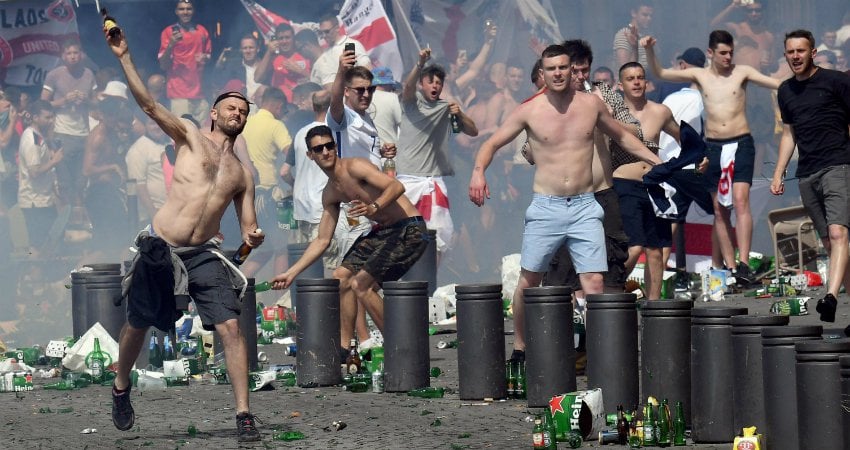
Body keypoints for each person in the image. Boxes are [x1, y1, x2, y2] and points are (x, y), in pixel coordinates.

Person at [105, 25, 265, 442]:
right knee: (138, 324)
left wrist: (251, 241)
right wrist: (124, 56)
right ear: (214, 113)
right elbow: (149, 105)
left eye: (243, 111)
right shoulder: (190, 138)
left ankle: (244, 414)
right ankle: (121, 387)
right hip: (162, 248)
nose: (237, 114)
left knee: (231, 327)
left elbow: (247, 234)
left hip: (204, 254)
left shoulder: (242, 174)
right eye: (231, 108)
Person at [469, 44, 661, 361]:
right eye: (551, 68)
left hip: (586, 205)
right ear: (542, 74)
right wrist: (478, 173)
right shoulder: (529, 110)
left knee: (594, 281)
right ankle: (520, 347)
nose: (558, 73)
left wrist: (658, 162)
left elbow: (624, 137)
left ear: (572, 70)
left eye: (563, 67)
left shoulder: (591, 105)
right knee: (529, 281)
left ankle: (600, 354)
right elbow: (491, 143)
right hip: (547, 206)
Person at [270, 125, 427, 350]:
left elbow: (396, 186)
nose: (325, 152)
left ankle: (400, 349)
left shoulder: (355, 167)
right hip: (384, 232)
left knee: (361, 284)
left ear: (335, 147)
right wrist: (290, 273)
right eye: (318, 149)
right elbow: (322, 240)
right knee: (341, 277)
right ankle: (346, 348)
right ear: (310, 155)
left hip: (410, 229)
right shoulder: (330, 192)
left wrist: (374, 207)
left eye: (329, 146)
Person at [642, 30, 780, 284]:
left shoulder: (742, 73)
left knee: (740, 200)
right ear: (711, 53)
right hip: (714, 146)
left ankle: (745, 261)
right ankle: (730, 265)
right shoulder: (700, 75)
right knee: (719, 209)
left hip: (741, 142)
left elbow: (776, 83)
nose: (728, 58)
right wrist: (649, 50)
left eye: (731, 53)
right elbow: (661, 73)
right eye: (723, 53)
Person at [771, 29, 850, 333]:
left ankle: (830, 296)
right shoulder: (786, 90)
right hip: (807, 172)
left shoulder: (836, 81)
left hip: (838, 165)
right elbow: (789, 133)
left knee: (838, 232)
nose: (795, 57)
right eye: (790, 52)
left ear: (813, 52)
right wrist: (779, 173)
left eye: (801, 51)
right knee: (831, 243)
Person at [396, 48, 478, 259]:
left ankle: (430, 285)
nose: (434, 85)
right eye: (430, 81)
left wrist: (460, 113)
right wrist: (420, 63)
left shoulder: (445, 108)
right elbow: (406, 86)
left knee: (438, 237)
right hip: (407, 180)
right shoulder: (411, 103)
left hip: (433, 182)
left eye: (438, 82)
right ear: (422, 84)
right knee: (403, 236)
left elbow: (472, 131)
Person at [617, 62, 680, 300]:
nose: (636, 82)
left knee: (655, 250)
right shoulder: (612, 114)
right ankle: (610, 291)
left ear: (646, 81)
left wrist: (698, 156)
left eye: (640, 77)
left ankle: (653, 305)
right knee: (634, 247)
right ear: (620, 84)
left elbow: (682, 135)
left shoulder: (659, 111)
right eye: (630, 78)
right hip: (624, 183)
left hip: (654, 186)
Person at [41, 38, 96, 219]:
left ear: (81, 55)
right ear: (63, 56)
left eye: (76, 53)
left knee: (82, 180)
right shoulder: (54, 75)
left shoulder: (88, 74)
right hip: (62, 132)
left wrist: (85, 99)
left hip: (83, 132)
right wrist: (65, 100)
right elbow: (43, 105)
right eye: (69, 53)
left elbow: (96, 103)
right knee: (65, 180)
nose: (73, 57)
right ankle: (65, 222)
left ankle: (81, 223)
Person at [241, 86, 292, 278]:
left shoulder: (246, 124)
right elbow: (290, 153)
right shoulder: (275, 125)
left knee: (259, 244)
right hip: (266, 195)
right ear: (279, 106)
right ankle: (283, 299)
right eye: (284, 110)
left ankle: (239, 281)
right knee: (281, 246)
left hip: (245, 195)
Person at [82, 97, 135, 257]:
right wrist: (112, 167)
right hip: (99, 194)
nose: (114, 119)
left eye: (115, 115)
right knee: (105, 246)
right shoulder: (98, 137)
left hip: (111, 194)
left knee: (120, 241)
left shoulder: (113, 132)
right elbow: (87, 169)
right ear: (102, 115)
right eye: (111, 116)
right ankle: (70, 279)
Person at [17, 100, 63, 253]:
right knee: (38, 244)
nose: (51, 121)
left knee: (49, 241)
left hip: (43, 199)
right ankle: (32, 275)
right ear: (35, 117)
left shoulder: (40, 136)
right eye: (47, 118)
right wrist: (55, 161)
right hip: (34, 201)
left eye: (52, 117)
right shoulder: (31, 139)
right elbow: (34, 172)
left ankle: (41, 273)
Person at [158, 0, 211, 124]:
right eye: (182, 9)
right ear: (176, 12)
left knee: (201, 136)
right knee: (184, 136)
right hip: (179, 93)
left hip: (200, 93)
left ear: (193, 11)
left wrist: (205, 58)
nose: (185, 12)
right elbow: (163, 65)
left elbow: (208, 57)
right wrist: (171, 44)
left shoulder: (202, 31)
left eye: (188, 8)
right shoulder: (169, 32)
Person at [125, 116, 169, 228]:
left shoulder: (171, 143)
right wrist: (154, 214)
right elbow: (139, 186)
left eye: (160, 122)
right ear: (145, 126)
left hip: (174, 211)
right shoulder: (138, 150)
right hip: (154, 214)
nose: (157, 127)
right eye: (152, 124)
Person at [254, 23, 311, 102]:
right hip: (279, 105)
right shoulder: (273, 58)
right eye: (281, 38)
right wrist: (268, 52)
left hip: (301, 102)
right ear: (276, 40)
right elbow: (257, 78)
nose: (284, 41)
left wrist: (301, 71)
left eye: (287, 38)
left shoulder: (304, 54)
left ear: (293, 38)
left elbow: (317, 79)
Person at [310, 14, 370, 88]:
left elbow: (367, 70)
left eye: (327, 31)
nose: (324, 35)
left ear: (337, 28)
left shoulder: (350, 45)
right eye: (321, 33)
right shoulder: (325, 54)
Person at [215, 34, 262, 103]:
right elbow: (218, 82)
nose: (248, 51)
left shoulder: (265, 67)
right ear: (241, 50)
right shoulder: (234, 67)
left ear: (258, 49)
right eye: (245, 48)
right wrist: (220, 59)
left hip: (262, 108)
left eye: (251, 48)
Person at [367, 66, 402, 146]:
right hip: (389, 153)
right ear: (388, 84)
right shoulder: (393, 98)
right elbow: (404, 125)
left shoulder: (363, 97)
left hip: (365, 153)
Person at [613, 3, 654, 68]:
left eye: (651, 15)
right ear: (633, 13)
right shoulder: (624, 34)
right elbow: (624, 68)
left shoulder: (647, 34)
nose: (649, 18)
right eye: (645, 15)